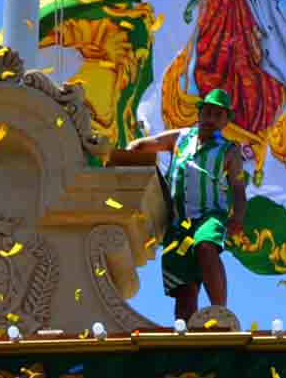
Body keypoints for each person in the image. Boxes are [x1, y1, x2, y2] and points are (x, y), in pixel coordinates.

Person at [106, 89, 248, 322]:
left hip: (209, 215)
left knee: (205, 246)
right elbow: (141, 145)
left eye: (218, 115)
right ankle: (186, 333)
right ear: (200, 114)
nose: (212, 119)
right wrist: (126, 154)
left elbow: (238, 189)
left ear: (224, 122)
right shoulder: (180, 138)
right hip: (178, 222)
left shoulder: (229, 151)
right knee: (184, 289)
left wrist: (238, 217)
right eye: (208, 112)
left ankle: (220, 313)